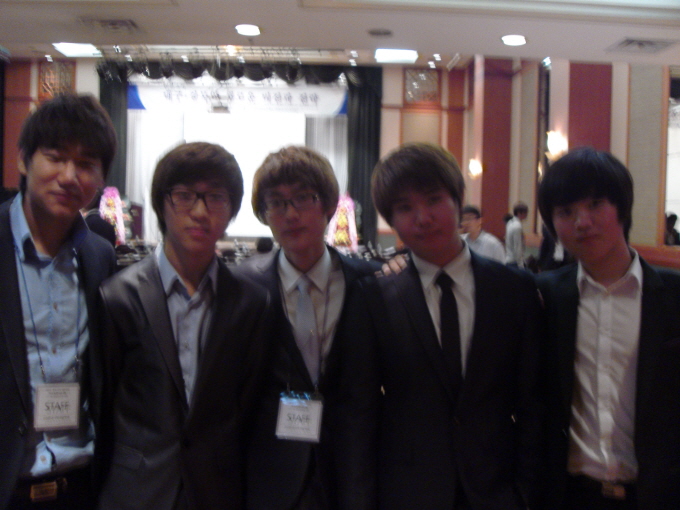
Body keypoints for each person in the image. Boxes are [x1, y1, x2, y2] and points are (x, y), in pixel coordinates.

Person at [338, 142, 544, 509]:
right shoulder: (374, 297)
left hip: (496, 488)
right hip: (407, 491)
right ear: (391, 219)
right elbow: (360, 412)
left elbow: (534, 402)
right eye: (405, 208)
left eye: (434, 199)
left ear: (458, 200)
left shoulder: (514, 290)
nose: (423, 217)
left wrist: (526, 494)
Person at [95, 142, 273, 510]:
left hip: (217, 490)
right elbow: (103, 405)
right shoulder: (117, 297)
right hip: (137, 491)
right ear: (162, 203)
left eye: (216, 198)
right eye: (185, 196)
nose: (200, 211)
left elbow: (249, 404)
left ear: (232, 210)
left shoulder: (250, 303)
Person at [235, 146, 379, 510]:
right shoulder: (242, 287)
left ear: (328, 204)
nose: (291, 214)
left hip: (351, 470)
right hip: (271, 474)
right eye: (276, 203)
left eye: (303, 198)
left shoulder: (371, 284)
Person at [536, 147, 680, 509]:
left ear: (622, 208)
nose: (582, 222)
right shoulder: (544, 296)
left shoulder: (674, 296)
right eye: (566, 212)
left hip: (656, 495)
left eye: (595, 204)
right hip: (569, 495)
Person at [0, 93, 118, 510]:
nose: (70, 176)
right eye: (55, 157)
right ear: (23, 160)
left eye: (85, 164)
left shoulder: (99, 258)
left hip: (79, 486)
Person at [505, 201, 528, 267]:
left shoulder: (510, 222)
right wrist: (521, 265)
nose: (526, 215)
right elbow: (517, 247)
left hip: (508, 259)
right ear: (519, 213)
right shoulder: (517, 227)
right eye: (525, 212)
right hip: (514, 262)